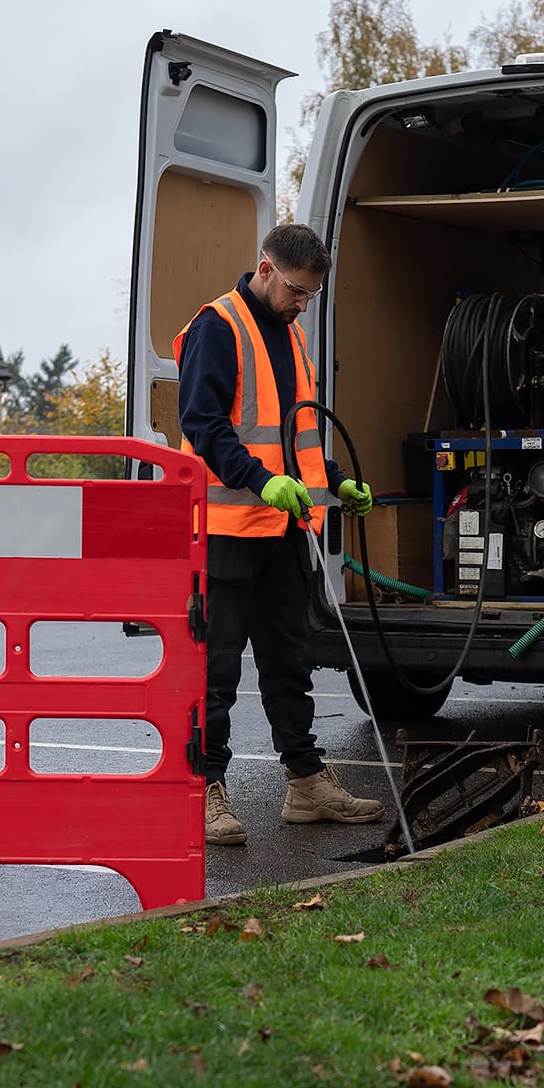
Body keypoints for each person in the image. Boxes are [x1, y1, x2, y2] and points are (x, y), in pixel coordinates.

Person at [173, 222, 384, 847]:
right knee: (215, 670)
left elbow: (298, 435)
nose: (301, 304)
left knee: (289, 663)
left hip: (286, 530)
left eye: (310, 295)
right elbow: (205, 426)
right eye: (296, 290)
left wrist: (337, 481)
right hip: (228, 529)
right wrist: (260, 482)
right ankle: (205, 791)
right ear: (265, 269)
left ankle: (306, 784)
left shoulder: (289, 339)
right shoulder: (218, 326)